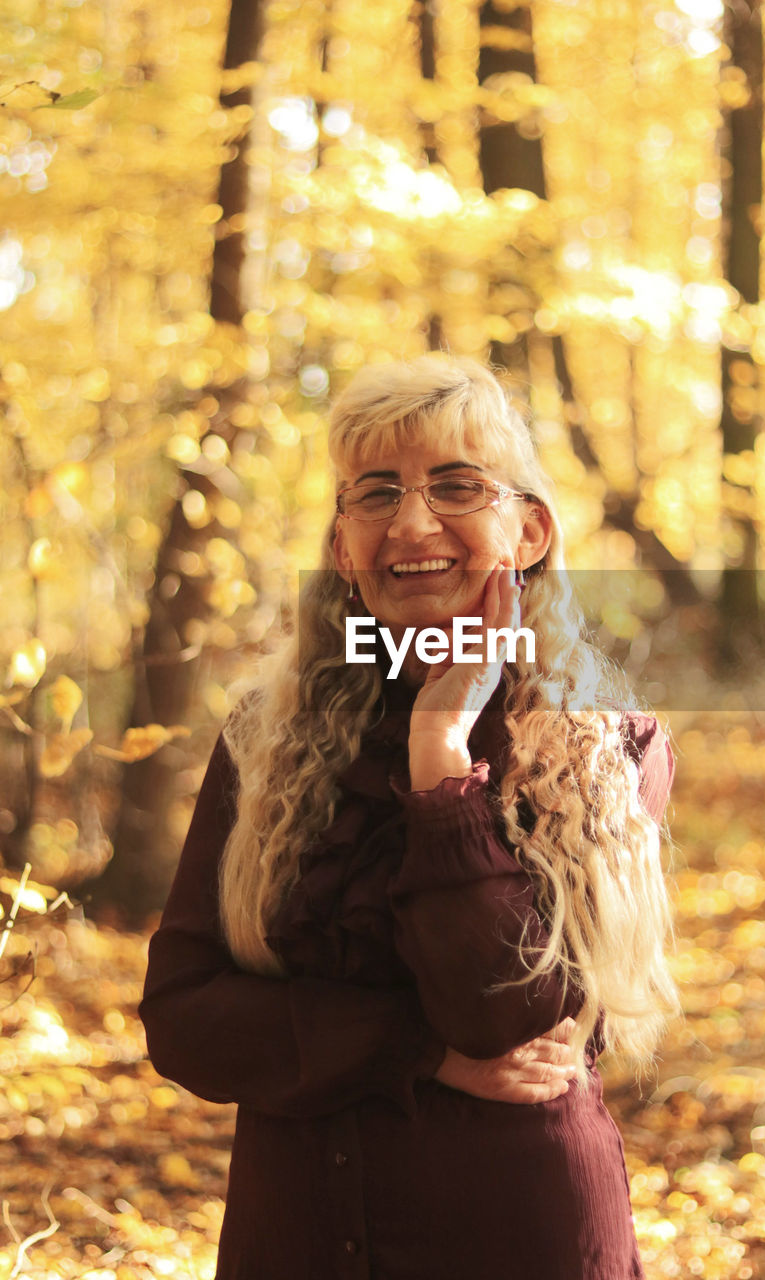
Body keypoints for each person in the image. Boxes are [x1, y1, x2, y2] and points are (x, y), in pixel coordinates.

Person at [140, 354, 679, 1280]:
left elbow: (504, 1015)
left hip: (517, 1240)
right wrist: (413, 1050)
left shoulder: (609, 751)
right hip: (295, 1244)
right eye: (375, 493)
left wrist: (440, 757)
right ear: (343, 546)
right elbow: (184, 1016)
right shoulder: (261, 748)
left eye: (456, 486)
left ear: (530, 529)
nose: (412, 523)